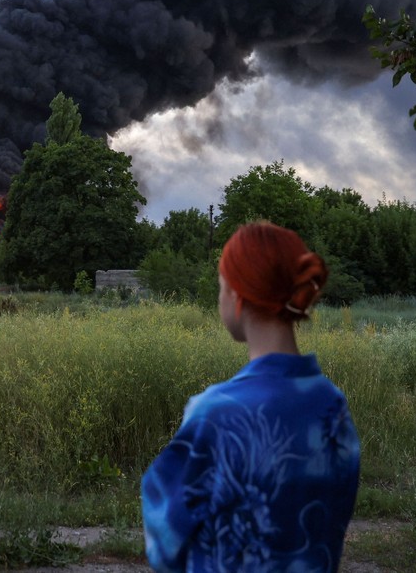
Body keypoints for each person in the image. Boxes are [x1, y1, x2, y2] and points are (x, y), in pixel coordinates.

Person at [141, 221, 361, 572]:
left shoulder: (216, 413)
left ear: (236, 296)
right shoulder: (332, 406)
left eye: (220, 286)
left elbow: (164, 539)